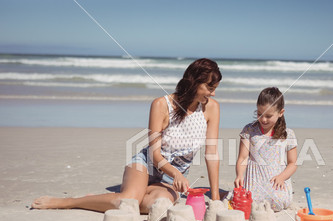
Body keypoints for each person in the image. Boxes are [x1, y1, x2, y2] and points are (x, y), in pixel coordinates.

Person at [32, 58, 222, 213]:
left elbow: (212, 154)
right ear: (194, 82)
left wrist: (215, 200)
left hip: (172, 177)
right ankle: (70, 202)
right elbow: (155, 155)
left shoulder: (211, 109)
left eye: (215, 88)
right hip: (147, 164)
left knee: (158, 206)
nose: (213, 93)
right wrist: (176, 173)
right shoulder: (161, 104)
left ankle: (106, 199)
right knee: (128, 201)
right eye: (209, 87)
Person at [234, 87, 297, 211]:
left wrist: (281, 177)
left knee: (279, 201)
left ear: (281, 112)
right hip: (254, 178)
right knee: (246, 202)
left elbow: (292, 163)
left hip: (275, 178)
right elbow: (243, 157)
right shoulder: (249, 130)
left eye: (268, 116)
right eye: (259, 114)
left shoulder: (288, 134)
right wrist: (239, 175)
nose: (263, 119)